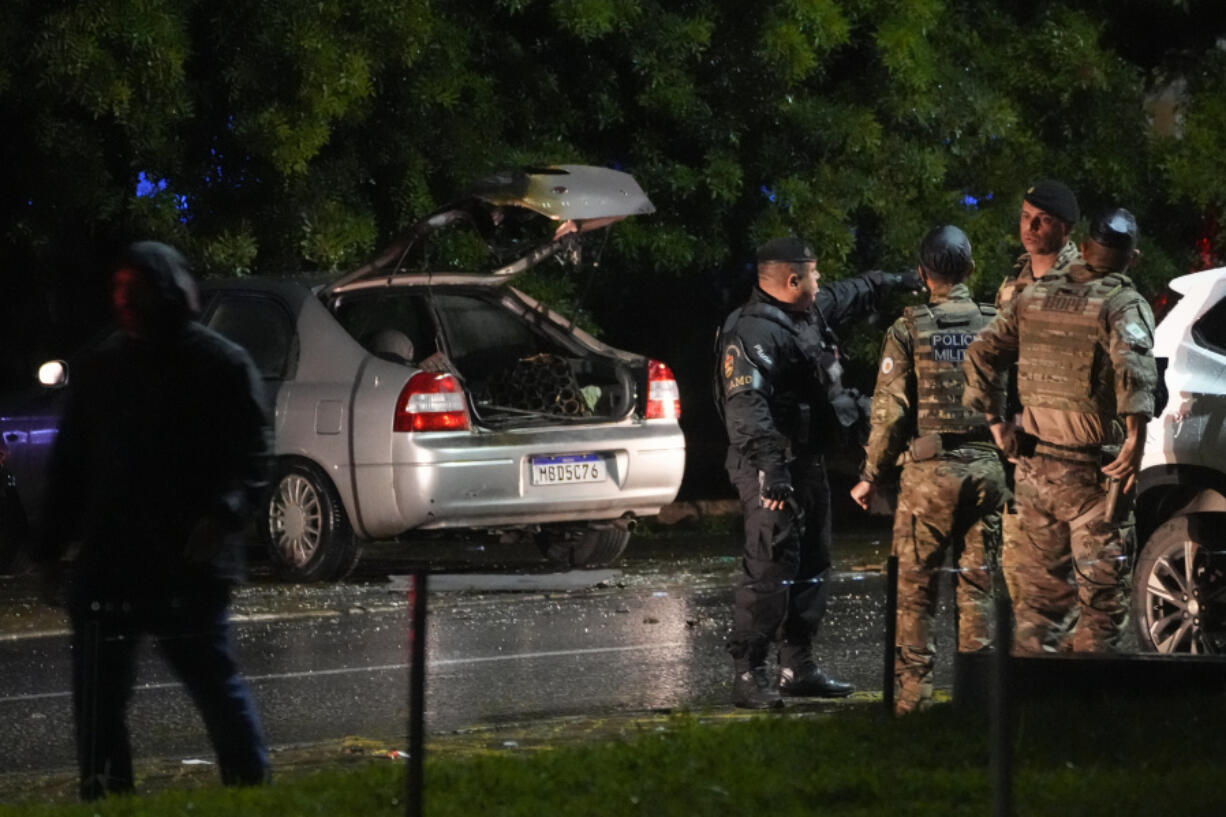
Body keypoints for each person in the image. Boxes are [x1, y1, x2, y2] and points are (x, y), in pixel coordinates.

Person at [36, 241, 273, 799]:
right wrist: (49, 550)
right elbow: (70, 466)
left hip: (184, 562)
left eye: (137, 291)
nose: (128, 303)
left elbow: (254, 458)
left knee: (213, 685)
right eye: (122, 292)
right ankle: (107, 794)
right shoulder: (104, 368)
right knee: (99, 700)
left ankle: (252, 790)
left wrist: (223, 517)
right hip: (114, 560)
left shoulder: (218, 364)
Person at [716, 236, 919, 709]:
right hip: (768, 464)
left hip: (806, 460)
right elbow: (746, 408)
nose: (820, 280)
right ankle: (748, 672)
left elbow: (849, 293)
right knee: (770, 565)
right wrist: (770, 470)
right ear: (793, 280)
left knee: (813, 561)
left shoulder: (804, 313)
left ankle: (797, 665)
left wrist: (897, 281)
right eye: (813, 273)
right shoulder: (752, 332)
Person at [963, 209, 1157, 654]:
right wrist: (1135, 436)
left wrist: (995, 423)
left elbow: (981, 352)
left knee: (1038, 610)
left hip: (1034, 472)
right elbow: (1134, 366)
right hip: (1094, 477)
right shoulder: (1122, 303)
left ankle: (1033, 714)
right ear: (1133, 258)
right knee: (1101, 609)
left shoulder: (1036, 296)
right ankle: (1082, 714)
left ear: (1085, 248)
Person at [849, 226, 1006, 714]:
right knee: (978, 587)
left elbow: (890, 411)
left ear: (922, 275)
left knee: (915, 593)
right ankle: (977, 703)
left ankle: (912, 706)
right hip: (988, 470)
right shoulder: (996, 322)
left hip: (930, 477)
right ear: (970, 269)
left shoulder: (909, 328)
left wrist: (870, 474)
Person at [995, 179, 1083, 311]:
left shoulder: (1084, 279)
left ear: (1067, 228)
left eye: (1044, 219)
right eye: (1026, 216)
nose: (1031, 226)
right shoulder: (1016, 274)